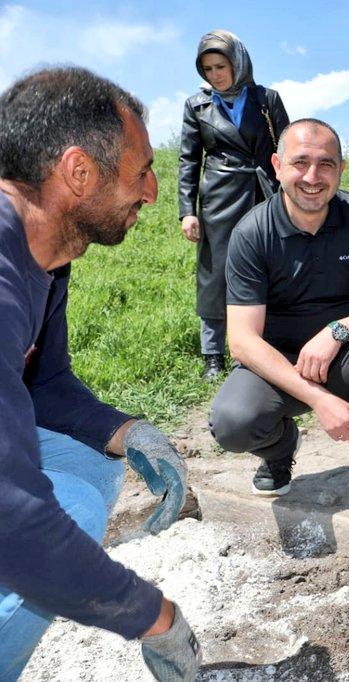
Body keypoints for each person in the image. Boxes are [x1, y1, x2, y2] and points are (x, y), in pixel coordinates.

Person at [0, 68, 199, 681]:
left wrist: (131, 432)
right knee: (68, 513)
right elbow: (14, 518)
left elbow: (45, 382)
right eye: (139, 172)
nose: (154, 192)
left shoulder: (44, 258)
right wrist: (154, 617)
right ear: (78, 172)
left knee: (87, 469)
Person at [208, 119, 349, 518]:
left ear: (341, 169)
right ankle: (279, 449)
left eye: (326, 164)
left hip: (347, 360)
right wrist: (319, 400)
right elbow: (242, 341)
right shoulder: (252, 233)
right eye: (300, 163)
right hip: (278, 371)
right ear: (277, 165)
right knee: (232, 422)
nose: (313, 177)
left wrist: (338, 331)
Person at [179, 30, 290, 381]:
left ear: (238, 62)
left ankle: (264, 347)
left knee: (268, 267)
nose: (215, 75)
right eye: (208, 68)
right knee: (215, 273)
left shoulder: (266, 99)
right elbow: (188, 161)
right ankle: (213, 354)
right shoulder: (196, 105)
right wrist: (187, 211)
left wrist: (290, 196)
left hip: (264, 194)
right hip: (218, 198)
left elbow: (286, 149)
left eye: (221, 66)